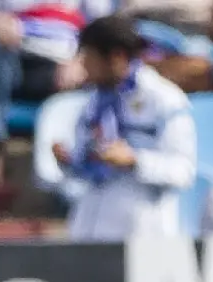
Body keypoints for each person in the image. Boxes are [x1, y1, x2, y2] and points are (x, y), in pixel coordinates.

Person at [53, 15, 196, 242]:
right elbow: (85, 168)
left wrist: (134, 161)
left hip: (142, 231)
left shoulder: (164, 100)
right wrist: (69, 162)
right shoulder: (92, 104)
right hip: (90, 226)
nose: (84, 66)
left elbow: (183, 172)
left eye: (89, 58)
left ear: (117, 57)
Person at [0, 0, 113, 184]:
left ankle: (82, 159)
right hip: (11, 59)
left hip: (63, 62)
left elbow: (101, 24)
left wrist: (82, 59)